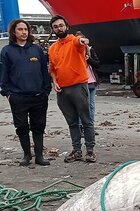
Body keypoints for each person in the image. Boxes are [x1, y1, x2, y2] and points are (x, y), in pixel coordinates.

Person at [0, 19, 51, 166]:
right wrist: (7, 93)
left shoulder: (37, 50)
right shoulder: (7, 51)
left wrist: (45, 90)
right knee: (21, 126)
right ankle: (27, 155)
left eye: (26, 29)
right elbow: (4, 73)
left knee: (39, 125)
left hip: (38, 96)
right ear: (14, 32)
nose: (24, 32)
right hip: (18, 97)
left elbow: (44, 71)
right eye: (20, 29)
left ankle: (39, 156)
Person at [48, 15, 97, 163]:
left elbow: (80, 41)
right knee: (72, 122)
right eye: (56, 27)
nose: (59, 28)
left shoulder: (74, 42)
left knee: (86, 119)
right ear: (53, 30)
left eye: (61, 25)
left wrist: (83, 40)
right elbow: (53, 68)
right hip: (62, 90)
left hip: (78, 86)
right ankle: (77, 150)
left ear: (66, 27)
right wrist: (54, 82)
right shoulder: (52, 48)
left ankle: (90, 151)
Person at [76, 31, 100, 135]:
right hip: (80, 82)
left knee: (91, 105)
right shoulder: (74, 52)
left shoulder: (90, 50)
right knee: (82, 106)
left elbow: (97, 64)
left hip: (91, 82)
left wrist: (88, 59)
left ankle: (90, 127)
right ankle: (81, 127)